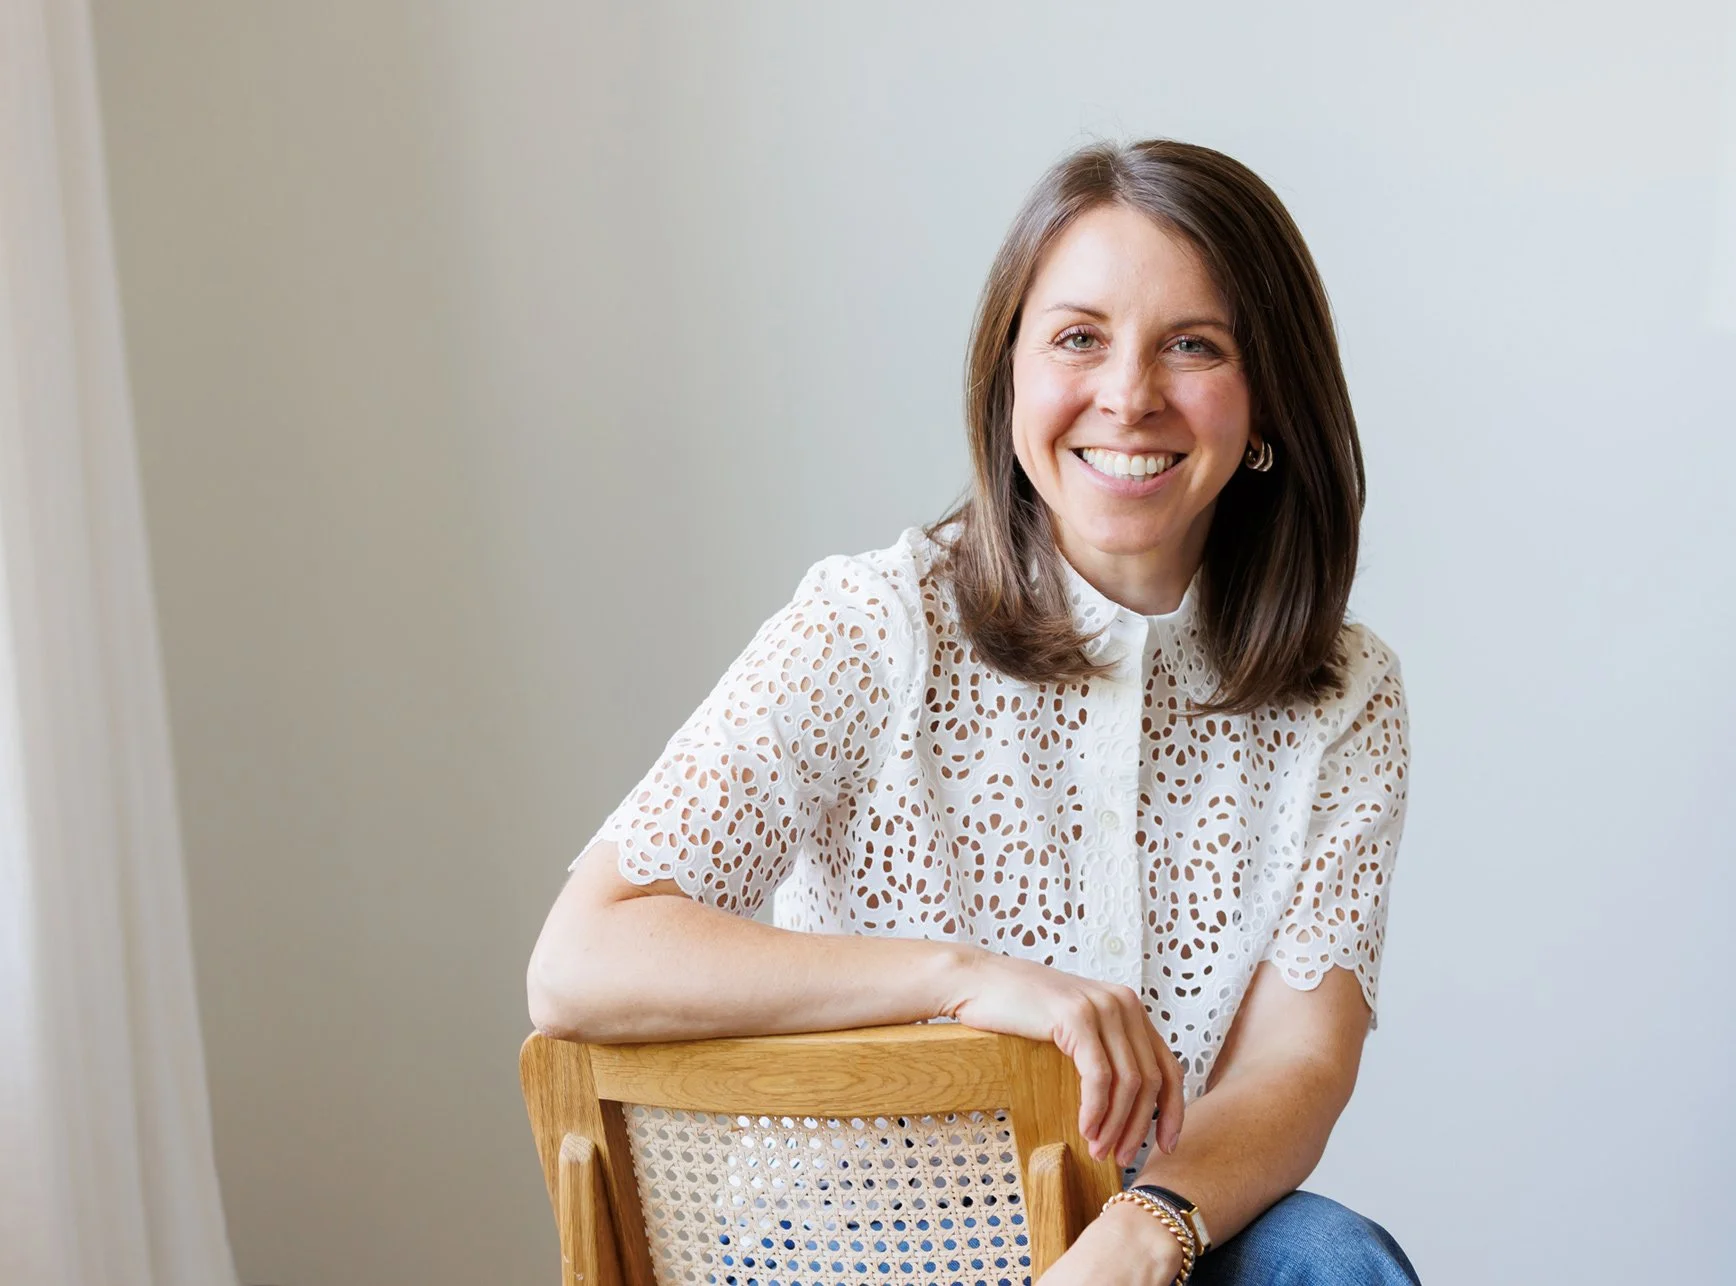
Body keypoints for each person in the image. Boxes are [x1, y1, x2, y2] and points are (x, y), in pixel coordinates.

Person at [528, 137, 1420, 1286]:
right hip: (842, 1234)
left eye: (1193, 344)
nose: (1129, 394)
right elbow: (581, 958)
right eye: (1078, 338)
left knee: (1332, 1261)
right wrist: (960, 975)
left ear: (1267, 408)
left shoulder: (1346, 693)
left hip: (1136, 1220)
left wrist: (1145, 1234)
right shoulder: (874, 625)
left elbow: (1298, 1060)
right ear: (1011, 383)